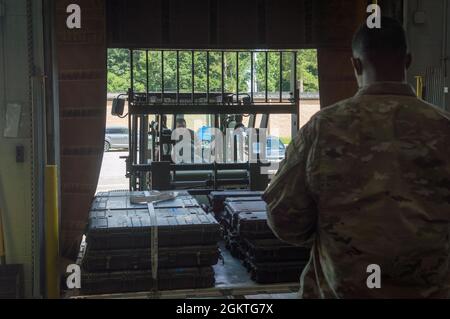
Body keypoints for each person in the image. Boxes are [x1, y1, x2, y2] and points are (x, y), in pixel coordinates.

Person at [263, 17, 450, 298]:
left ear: (356, 65)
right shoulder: (443, 127)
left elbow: (285, 219)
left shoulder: (323, 128)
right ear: (408, 61)